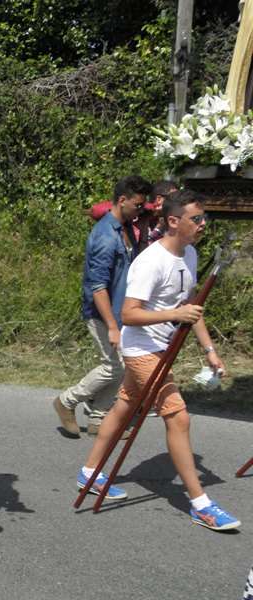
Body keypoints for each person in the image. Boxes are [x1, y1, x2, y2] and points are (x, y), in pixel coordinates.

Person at [78, 189, 240, 531]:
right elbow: (129, 314)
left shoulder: (191, 255)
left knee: (123, 406)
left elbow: (192, 309)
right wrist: (174, 313)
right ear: (172, 221)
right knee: (178, 417)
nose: (203, 224)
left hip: (162, 348)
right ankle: (201, 504)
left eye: (204, 217)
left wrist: (210, 351)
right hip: (140, 349)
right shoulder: (151, 262)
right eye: (196, 219)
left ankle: (90, 472)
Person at [53, 176, 152, 438]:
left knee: (123, 365)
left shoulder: (126, 227)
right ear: (122, 201)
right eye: (138, 205)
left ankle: (98, 418)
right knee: (114, 367)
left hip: (121, 310)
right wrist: (111, 326)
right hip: (102, 312)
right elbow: (97, 287)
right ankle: (67, 401)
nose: (141, 210)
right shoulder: (106, 237)